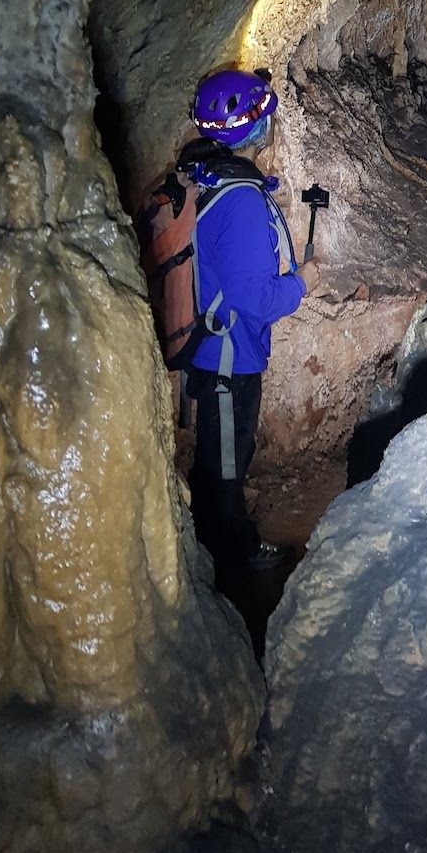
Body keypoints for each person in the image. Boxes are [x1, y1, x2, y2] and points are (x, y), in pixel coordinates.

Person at [179, 66, 317, 571]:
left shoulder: (222, 181)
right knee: (227, 464)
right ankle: (230, 559)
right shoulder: (240, 203)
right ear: (254, 127)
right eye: (268, 115)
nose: (273, 124)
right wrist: (305, 282)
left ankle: (205, 542)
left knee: (218, 459)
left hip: (224, 354)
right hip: (227, 362)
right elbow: (255, 298)